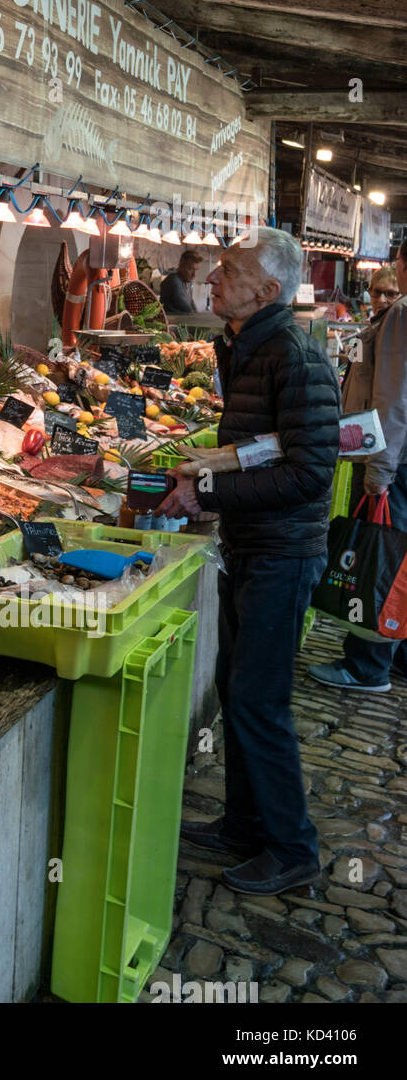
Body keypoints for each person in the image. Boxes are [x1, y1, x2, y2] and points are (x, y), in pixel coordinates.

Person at [158, 228, 339, 897]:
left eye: (227, 270)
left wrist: (204, 489)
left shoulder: (295, 356)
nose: (211, 277)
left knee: (260, 702)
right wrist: (211, 472)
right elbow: (261, 446)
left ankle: (293, 849)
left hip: (282, 554)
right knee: (239, 692)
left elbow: (310, 473)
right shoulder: (246, 347)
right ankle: (242, 822)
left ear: (267, 290)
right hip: (250, 545)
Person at [308, 248, 407, 691]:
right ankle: (396, 650)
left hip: (395, 460)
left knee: (379, 556)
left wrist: (379, 473)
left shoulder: (403, 315)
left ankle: (366, 665)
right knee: (398, 559)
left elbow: (394, 399)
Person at [159, 249, 204, 315]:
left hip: (182, 322)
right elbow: (186, 307)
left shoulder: (187, 282)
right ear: (181, 266)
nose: (194, 274)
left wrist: (197, 314)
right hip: (171, 323)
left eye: (196, 270)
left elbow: (191, 302)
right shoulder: (173, 281)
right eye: (190, 269)